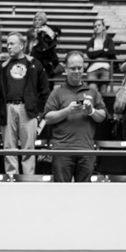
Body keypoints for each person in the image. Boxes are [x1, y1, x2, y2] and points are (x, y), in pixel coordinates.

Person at [0, 32, 49, 177]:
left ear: (21, 45)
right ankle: (12, 177)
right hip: (8, 108)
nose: (8, 47)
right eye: (7, 44)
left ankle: (28, 178)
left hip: (28, 109)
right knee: (9, 147)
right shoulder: (3, 66)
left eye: (12, 44)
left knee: (28, 147)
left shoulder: (34, 64)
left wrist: (40, 111)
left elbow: (45, 90)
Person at [44, 51, 107, 183]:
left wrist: (91, 111)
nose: (76, 71)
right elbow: (48, 118)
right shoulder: (57, 92)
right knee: (61, 192)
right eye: (72, 68)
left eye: (79, 68)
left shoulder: (93, 92)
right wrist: (67, 111)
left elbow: (102, 116)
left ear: (83, 69)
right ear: (66, 69)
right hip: (62, 150)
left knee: (84, 194)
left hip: (86, 150)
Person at [26, 11, 61, 82]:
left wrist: (45, 34)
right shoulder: (30, 32)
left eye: (39, 20)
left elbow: (51, 44)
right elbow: (28, 45)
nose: (37, 21)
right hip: (34, 57)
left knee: (47, 81)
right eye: (35, 20)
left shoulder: (48, 30)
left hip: (46, 59)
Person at [85, 19, 116, 94]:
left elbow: (111, 52)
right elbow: (90, 54)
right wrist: (103, 50)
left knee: (103, 92)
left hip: (105, 68)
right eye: (95, 26)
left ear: (103, 27)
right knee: (91, 91)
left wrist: (95, 52)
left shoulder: (109, 40)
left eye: (99, 25)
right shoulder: (91, 41)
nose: (97, 27)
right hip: (92, 69)